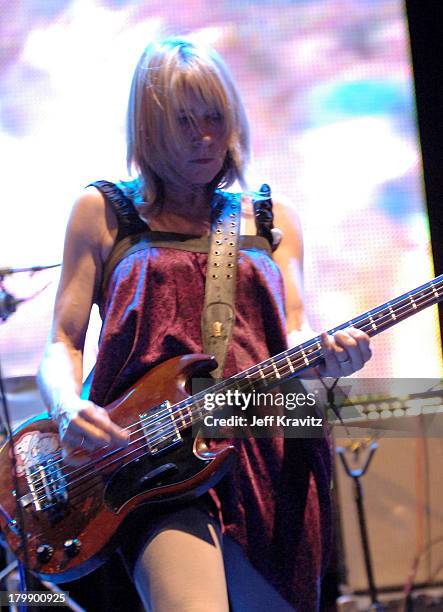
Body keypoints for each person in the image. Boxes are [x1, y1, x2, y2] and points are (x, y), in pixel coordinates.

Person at [37, 36, 371, 611]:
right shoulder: (104, 212)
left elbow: (293, 330)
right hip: (154, 459)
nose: (205, 137)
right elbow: (61, 342)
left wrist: (330, 355)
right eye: (183, 122)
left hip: (271, 456)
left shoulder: (271, 216)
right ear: (149, 129)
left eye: (215, 117)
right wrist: (67, 406)